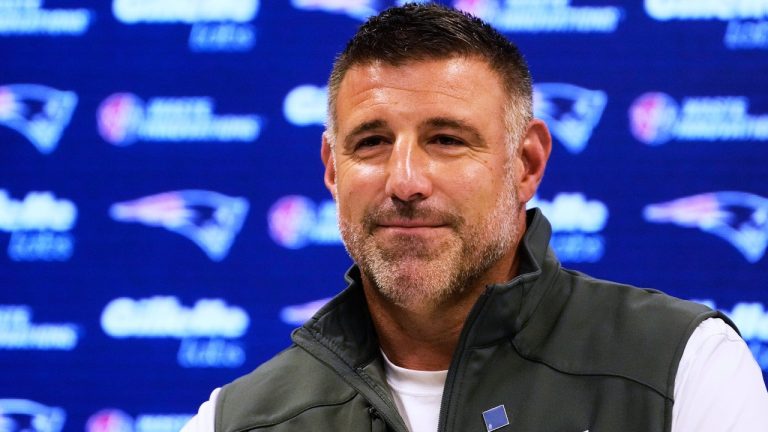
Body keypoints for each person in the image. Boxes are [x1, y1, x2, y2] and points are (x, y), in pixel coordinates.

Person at [182, 4, 768, 432]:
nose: (405, 180)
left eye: (446, 139)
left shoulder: (683, 368)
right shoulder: (237, 422)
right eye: (371, 143)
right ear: (333, 171)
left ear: (526, 163)